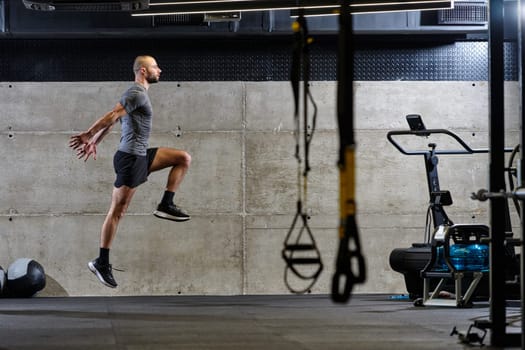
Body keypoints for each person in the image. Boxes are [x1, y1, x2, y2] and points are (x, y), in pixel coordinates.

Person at [69, 55, 191, 288]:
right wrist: (88, 133)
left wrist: (96, 140)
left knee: (183, 158)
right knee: (117, 211)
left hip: (140, 156)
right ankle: (101, 262)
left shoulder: (139, 95)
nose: (160, 70)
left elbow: (116, 121)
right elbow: (112, 115)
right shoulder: (135, 93)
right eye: (155, 67)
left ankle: (166, 203)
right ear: (143, 71)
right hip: (130, 160)